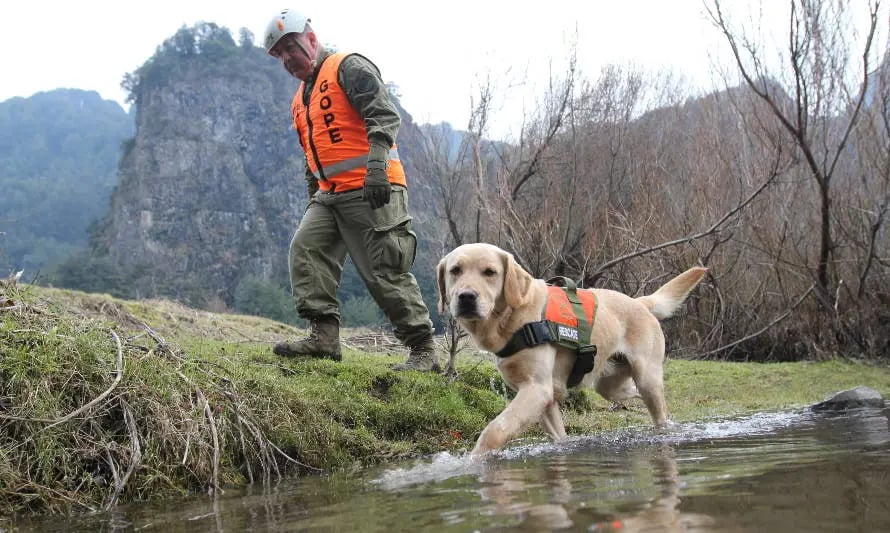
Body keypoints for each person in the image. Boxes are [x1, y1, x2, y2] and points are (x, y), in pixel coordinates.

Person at [263, 9, 439, 372]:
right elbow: (312, 151)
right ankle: (324, 337)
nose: (287, 59)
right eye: (280, 55)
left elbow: (385, 115)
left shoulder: (349, 67)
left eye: (290, 48)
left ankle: (424, 351)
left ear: (310, 39)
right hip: (330, 195)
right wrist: (314, 190)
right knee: (306, 250)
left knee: (384, 270)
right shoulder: (300, 98)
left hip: (373, 188)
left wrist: (376, 166)